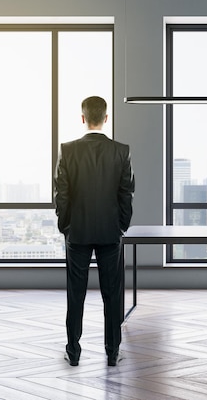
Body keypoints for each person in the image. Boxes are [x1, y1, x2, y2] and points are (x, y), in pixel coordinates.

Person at [53, 96, 135, 367]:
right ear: (106, 118)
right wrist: (121, 225)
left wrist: (65, 225)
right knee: (112, 295)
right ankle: (113, 353)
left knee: (75, 293)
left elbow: (61, 195)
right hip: (110, 232)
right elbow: (126, 194)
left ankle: (73, 353)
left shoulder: (68, 149)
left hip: (77, 231)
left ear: (83, 118)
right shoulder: (121, 150)